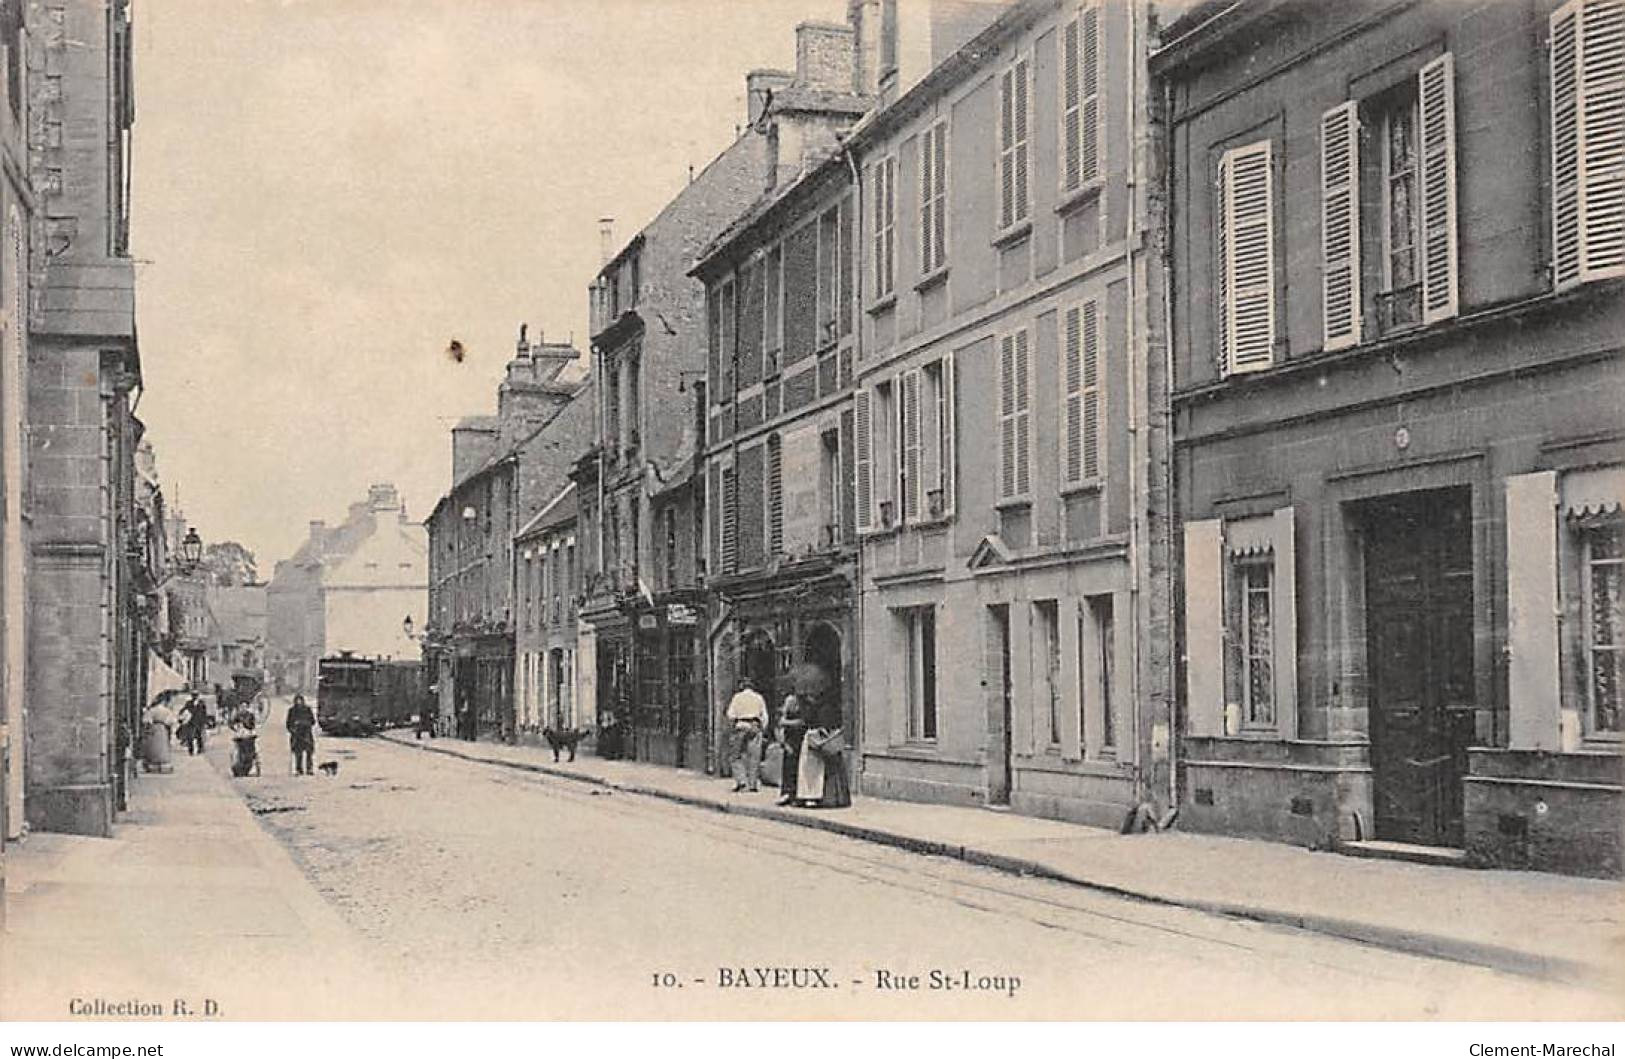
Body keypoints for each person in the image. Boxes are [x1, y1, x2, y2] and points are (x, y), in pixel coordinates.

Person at [796, 691, 851, 809]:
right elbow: (817, 743)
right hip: (812, 752)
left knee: (815, 775)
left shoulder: (820, 730)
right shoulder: (812, 732)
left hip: (815, 752)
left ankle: (814, 796)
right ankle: (809, 797)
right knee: (810, 775)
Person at [726, 676, 767, 793]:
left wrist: (733, 726)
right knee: (754, 756)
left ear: (742, 686)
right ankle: (753, 784)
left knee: (735, 755)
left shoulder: (737, 698)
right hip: (754, 726)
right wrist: (762, 728)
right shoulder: (758, 698)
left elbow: (731, 714)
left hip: (741, 725)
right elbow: (764, 715)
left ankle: (741, 781)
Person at [774, 693, 807, 807]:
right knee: (788, 767)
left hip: (799, 740)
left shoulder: (803, 707)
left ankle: (796, 795)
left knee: (797, 767)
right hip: (790, 741)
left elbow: (803, 723)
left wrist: (785, 723)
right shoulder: (788, 712)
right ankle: (788, 793)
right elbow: (779, 725)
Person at [286, 694, 317, 776]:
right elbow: (288, 724)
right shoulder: (292, 711)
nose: (298, 702)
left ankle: (309, 769)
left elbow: (313, 721)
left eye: (300, 700)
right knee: (298, 753)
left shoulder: (307, 709)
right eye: (297, 700)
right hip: (297, 735)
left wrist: (305, 723)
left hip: (307, 734)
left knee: (309, 752)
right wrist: (293, 729)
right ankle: (299, 769)